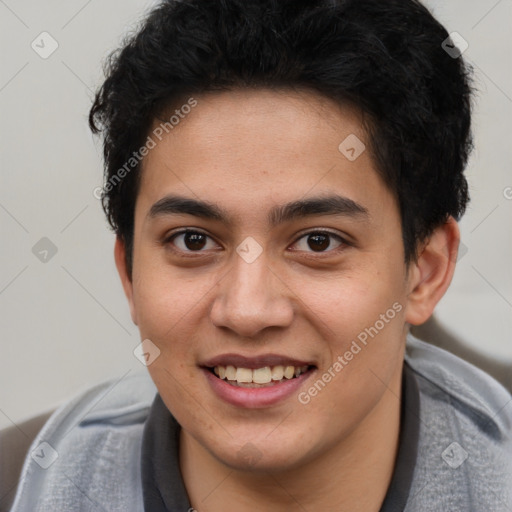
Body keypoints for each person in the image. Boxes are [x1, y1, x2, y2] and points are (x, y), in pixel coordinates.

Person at [10, 0, 512, 510]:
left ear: (425, 273)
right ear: (130, 274)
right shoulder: (19, 485)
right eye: (193, 240)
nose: (248, 311)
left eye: (318, 241)